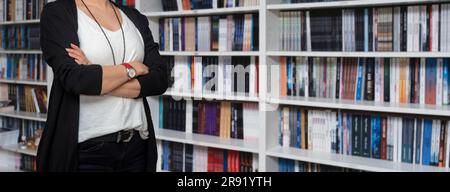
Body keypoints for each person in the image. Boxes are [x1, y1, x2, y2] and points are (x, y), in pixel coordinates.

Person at [37, 0, 168, 172]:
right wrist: (132, 68)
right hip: (88, 150)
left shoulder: (135, 17)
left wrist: (95, 72)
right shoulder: (58, 13)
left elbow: (159, 80)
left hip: (137, 145)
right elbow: (75, 79)